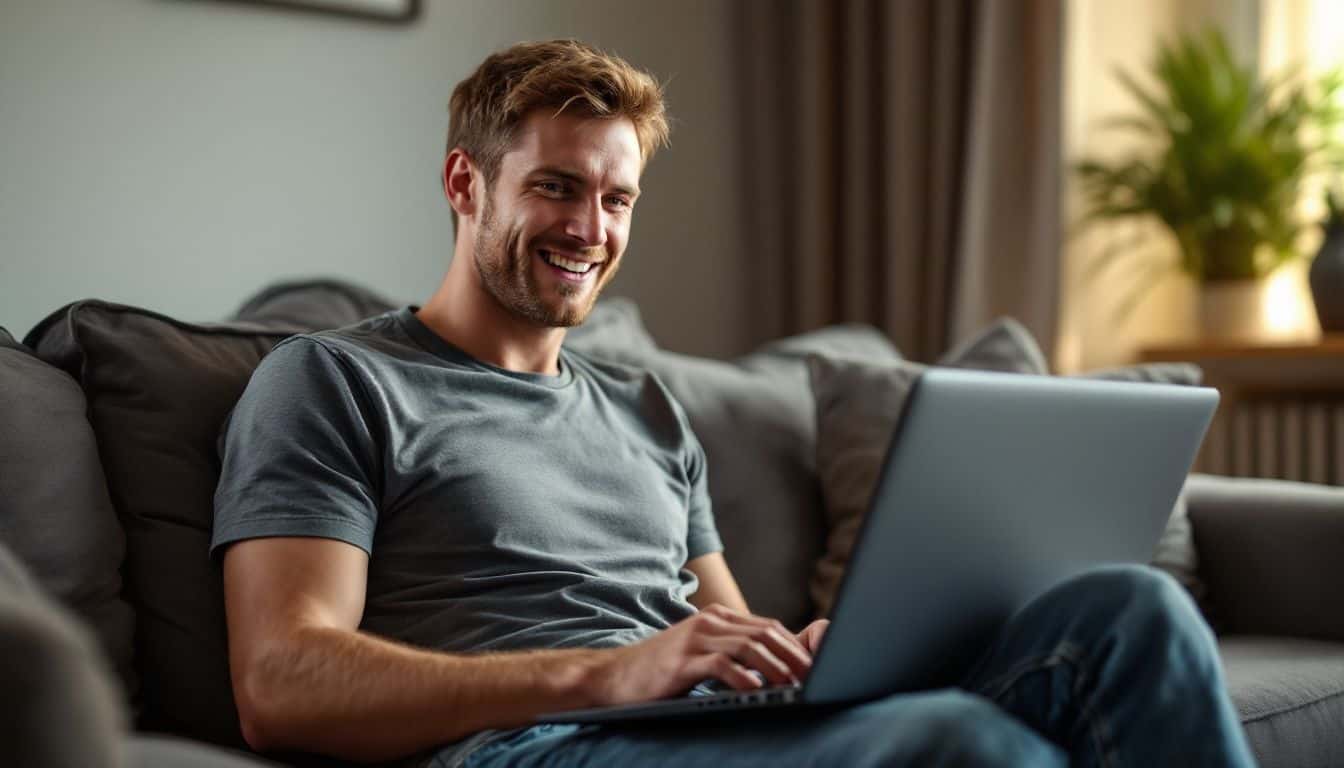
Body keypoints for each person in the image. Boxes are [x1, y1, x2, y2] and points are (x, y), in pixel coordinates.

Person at [212, 39, 1256, 768]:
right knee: (965, 747)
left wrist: (810, 652)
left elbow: (723, 633)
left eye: (616, 198)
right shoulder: (332, 380)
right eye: (556, 187)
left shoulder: (647, 413)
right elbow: (283, 681)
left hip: (696, 726)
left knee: (1133, 612)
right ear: (464, 182)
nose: (591, 227)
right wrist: (606, 675)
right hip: (528, 745)